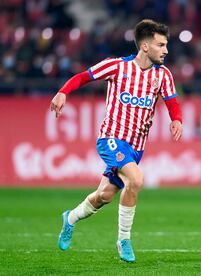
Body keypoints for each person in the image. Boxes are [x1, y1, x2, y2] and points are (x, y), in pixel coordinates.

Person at [50, 19, 183, 262]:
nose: (166, 50)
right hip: (111, 139)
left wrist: (177, 120)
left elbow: (172, 101)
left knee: (104, 196)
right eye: (161, 45)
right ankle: (123, 240)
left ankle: (69, 218)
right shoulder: (116, 67)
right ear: (145, 46)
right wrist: (63, 92)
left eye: (166, 45)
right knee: (137, 179)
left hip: (136, 148)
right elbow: (83, 77)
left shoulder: (163, 75)